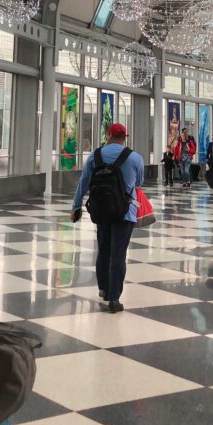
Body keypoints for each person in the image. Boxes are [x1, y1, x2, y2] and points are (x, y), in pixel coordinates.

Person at [70, 123, 144, 314]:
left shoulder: (94, 156)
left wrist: (76, 206)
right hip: (125, 212)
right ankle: (114, 298)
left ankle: (103, 288)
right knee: (118, 254)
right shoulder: (135, 158)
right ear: (124, 137)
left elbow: (83, 182)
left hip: (101, 210)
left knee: (103, 250)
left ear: (109, 135)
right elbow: (139, 182)